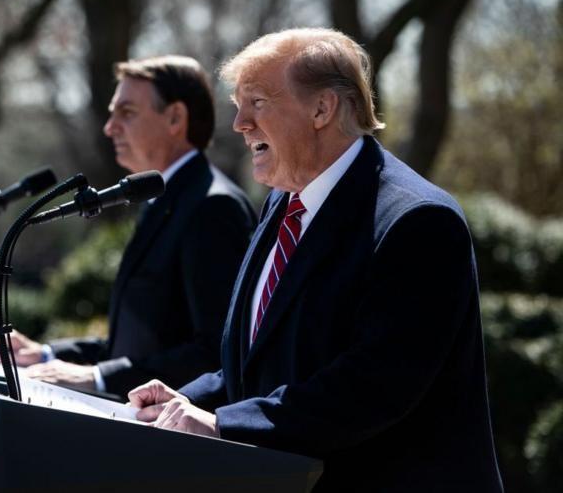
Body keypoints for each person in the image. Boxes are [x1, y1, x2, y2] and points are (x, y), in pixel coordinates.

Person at [129, 29, 503, 492]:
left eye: (257, 102)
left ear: (322, 109)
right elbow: (258, 364)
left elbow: (373, 386)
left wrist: (222, 424)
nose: (239, 123)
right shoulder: (282, 204)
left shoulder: (419, 221)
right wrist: (182, 401)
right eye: (237, 104)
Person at [0, 55, 256, 398]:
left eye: (127, 113)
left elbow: (216, 353)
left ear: (175, 118)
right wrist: (48, 355)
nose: (109, 127)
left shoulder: (211, 207)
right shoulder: (162, 199)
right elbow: (142, 341)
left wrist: (100, 379)